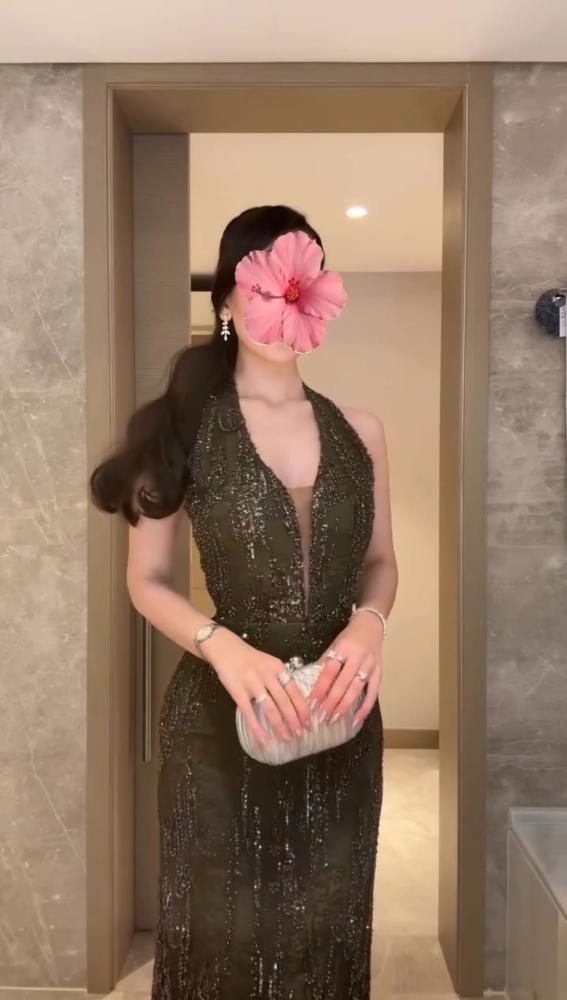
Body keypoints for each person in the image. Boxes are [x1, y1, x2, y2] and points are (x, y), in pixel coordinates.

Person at [90, 204, 398, 1000]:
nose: (282, 305)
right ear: (227, 297)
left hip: (341, 717)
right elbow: (145, 580)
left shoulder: (361, 431)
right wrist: (221, 645)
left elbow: (379, 563)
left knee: (325, 935)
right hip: (217, 723)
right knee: (220, 941)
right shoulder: (182, 428)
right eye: (264, 286)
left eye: (299, 286)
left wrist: (367, 627)